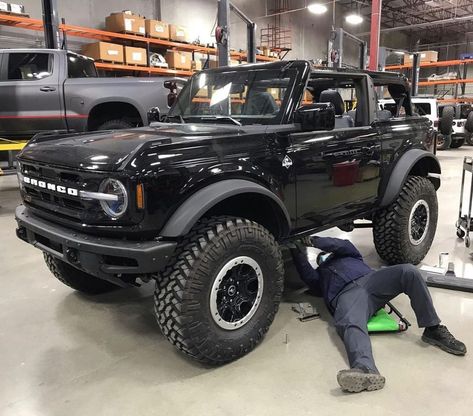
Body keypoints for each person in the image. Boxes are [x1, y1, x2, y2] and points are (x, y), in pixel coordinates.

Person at [289, 236, 466, 393]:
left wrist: (315, 242)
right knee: (350, 321)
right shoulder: (320, 276)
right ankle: (366, 370)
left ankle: (433, 329)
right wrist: (297, 250)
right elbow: (307, 274)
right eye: (321, 259)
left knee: (409, 271)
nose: (324, 258)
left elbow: (342, 244)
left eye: (326, 254)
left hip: (372, 281)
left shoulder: (350, 255)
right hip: (345, 296)